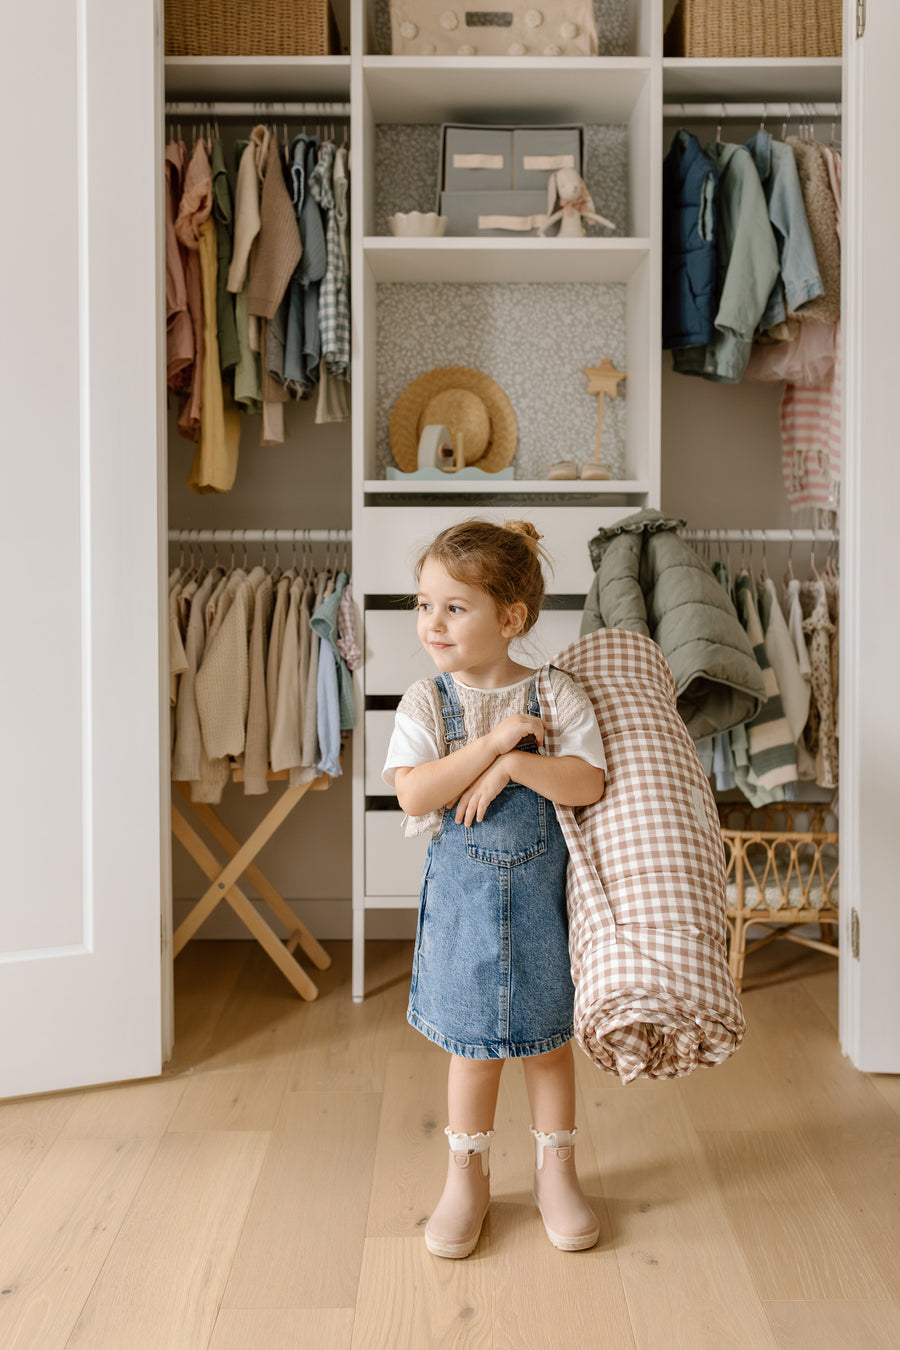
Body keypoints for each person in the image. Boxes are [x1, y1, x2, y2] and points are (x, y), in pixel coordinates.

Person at [382, 519, 607, 1259]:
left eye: (454, 607)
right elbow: (415, 795)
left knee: (547, 1047)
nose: (432, 623)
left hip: (546, 912)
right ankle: (466, 1176)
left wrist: (515, 767)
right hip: (464, 916)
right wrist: (488, 746)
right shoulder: (427, 702)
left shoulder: (556, 694)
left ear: (510, 618)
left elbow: (587, 781)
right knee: (473, 1052)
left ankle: (556, 1171)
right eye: (423, 605)